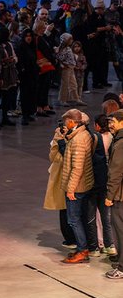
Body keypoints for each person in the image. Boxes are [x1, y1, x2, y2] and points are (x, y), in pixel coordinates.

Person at [58, 108, 96, 263]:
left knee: (73, 219)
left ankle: (82, 250)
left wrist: (71, 189)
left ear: (72, 121)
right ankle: (83, 247)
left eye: (66, 121)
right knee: (79, 217)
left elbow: (77, 167)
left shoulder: (78, 140)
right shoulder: (84, 134)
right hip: (84, 183)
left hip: (77, 186)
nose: (65, 124)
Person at [106, 109, 123, 281]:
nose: (111, 124)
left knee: (120, 231)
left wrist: (109, 195)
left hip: (120, 194)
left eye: (114, 121)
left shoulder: (120, 142)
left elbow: (116, 172)